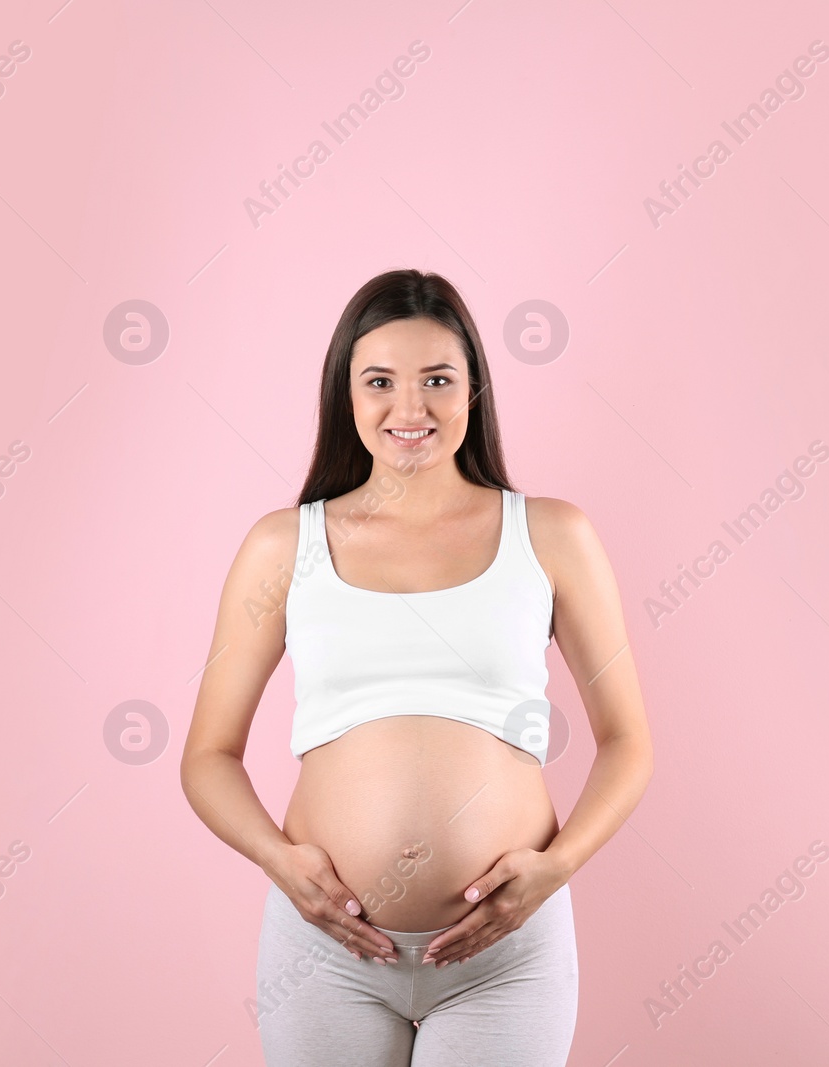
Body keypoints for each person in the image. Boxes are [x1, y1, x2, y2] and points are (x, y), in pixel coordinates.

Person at [180, 268, 653, 1065]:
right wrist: (278, 859)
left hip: (506, 960)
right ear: (346, 395)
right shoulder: (281, 547)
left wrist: (556, 867)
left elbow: (629, 740)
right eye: (380, 381)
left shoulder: (552, 534)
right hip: (326, 958)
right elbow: (207, 756)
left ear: (474, 390)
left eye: (438, 379)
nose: (411, 408)